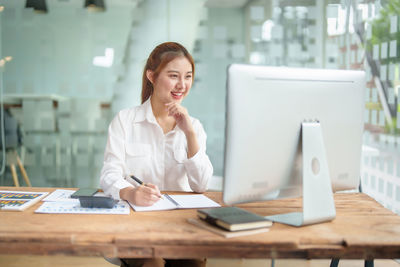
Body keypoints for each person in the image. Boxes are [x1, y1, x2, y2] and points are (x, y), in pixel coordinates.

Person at [100, 42, 213, 267]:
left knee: (193, 262)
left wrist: (189, 133)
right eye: (173, 76)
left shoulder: (195, 127)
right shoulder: (125, 120)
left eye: (188, 76)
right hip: (135, 224)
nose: (182, 85)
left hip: (180, 226)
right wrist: (130, 193)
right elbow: (109, 174)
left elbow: (201, 185)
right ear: (151, 76)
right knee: (153, 262)